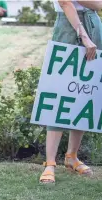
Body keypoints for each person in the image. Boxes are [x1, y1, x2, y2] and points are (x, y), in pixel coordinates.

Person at [39, 0, 101, 184]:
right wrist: (83, 35)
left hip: (93, 22)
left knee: (85, 91)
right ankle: (50, 162)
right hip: (68, 25)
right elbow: (65, 2)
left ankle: (72, 156)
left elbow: (97, 5)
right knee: (59, 93)